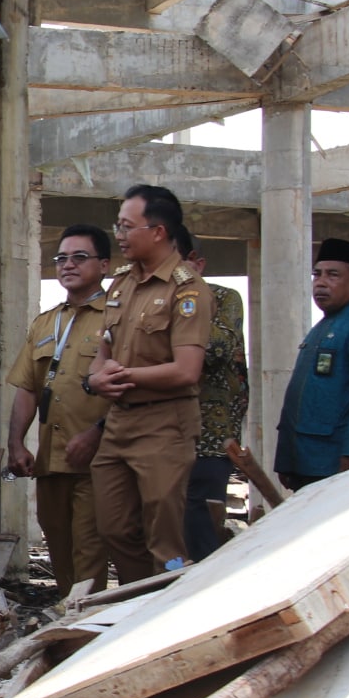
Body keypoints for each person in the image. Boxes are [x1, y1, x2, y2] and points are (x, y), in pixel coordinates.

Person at [86, 184, 212, 579]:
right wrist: (96, 377)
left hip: (164, 427)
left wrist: (121, 376)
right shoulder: (121, 283)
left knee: (166, 542)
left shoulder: (187, 289)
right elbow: (103, 350)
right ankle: (138, 600)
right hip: (119, 424)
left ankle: (169, 609)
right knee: (114, 528)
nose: (119, 235)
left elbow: (186, 369)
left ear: (158, 231)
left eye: (127, 227)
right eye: (118, 226)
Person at [6, 224, 112, 593]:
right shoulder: (46, 322)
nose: (68, 265)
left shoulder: (117, 318)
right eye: (61, 258)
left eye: (80, 257)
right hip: (51, 463)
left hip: (96, 462)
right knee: (60, 551)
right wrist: (16, 443)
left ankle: (87, 630)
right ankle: (68, 622)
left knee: (89, 552)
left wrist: (96, 434)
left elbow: (130, 390)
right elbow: (27, 387)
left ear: (104, 265)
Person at [275, 239, 349, 490]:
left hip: (337, 463)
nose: (321, 282)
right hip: (305, 461)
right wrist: (285, 459)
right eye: (317, 274)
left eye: (333, 275)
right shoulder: (322, 327)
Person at [177, 232, 247, 561]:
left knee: (202, 534)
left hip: (210, 441)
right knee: (166, 542)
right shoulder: (147, 302)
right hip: (162, 438)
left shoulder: (224, 299)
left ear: (197, 263)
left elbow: (216, 349)